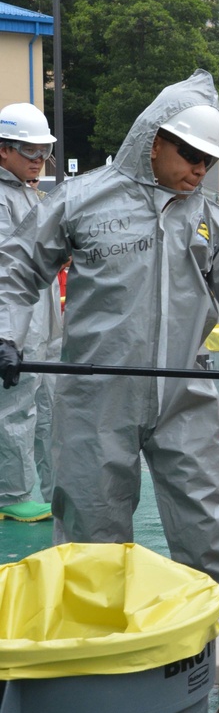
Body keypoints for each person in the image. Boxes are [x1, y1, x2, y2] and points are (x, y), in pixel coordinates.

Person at [0, 71, 219, 613]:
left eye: (209, 161)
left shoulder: (209, 222)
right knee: (90, 533)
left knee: (212, 528)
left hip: (182, 396)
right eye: (190, 155)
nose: (199, 170)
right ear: (155, 142)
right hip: (93, 396)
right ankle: (94, 650)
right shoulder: (81, 200)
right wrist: (5, 335)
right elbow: (17, 272)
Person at [0, 104, 61, 522]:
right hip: (16, 314)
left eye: (43, 152)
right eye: (29, 151)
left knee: (50, 400)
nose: (38, 160)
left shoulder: (26, 191)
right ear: (3, 150)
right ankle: (12, 494)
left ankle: (57, 487)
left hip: (41, 311)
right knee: (17, 403)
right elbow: (8, 271)